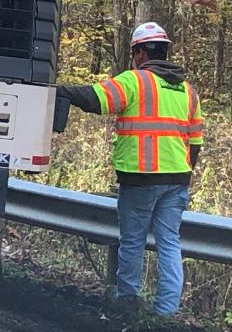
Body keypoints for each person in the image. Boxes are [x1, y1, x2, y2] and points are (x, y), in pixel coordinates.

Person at [56, 22, 204, 317]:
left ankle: (126, 303)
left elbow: (95, 99)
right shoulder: (188, 91)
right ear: (163, 51)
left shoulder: (135, 81)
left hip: (140, 178)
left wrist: (59, 89)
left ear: (139, 53)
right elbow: (195, 142)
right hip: (177, 179)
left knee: (133, 242)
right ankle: (165, 313)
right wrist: (183, 173)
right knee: (169, 244)